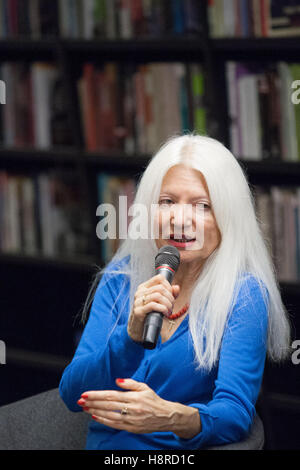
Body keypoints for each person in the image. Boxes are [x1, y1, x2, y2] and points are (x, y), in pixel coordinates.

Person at [59, 134, 291, 450]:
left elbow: (235, 414)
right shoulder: (120, 278)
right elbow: (72, 393)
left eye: (202, 206)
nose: (179, 219)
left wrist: (168, 416)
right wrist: (129, 338)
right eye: (167, 201)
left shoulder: (244, 296)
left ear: (227, 219)